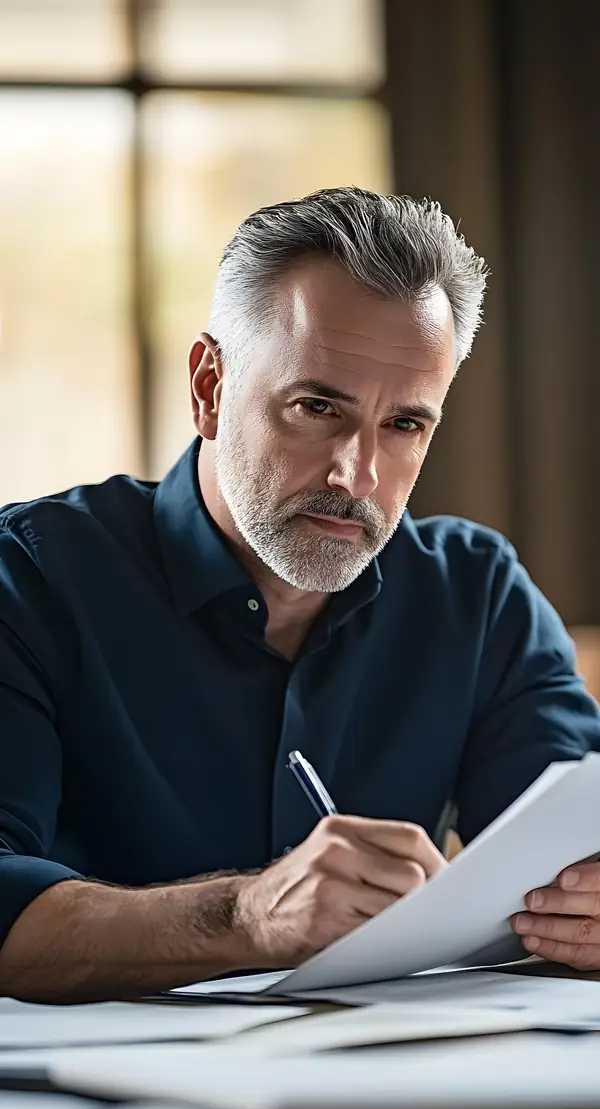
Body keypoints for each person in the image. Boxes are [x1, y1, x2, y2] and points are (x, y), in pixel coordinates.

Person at [1, 187, 599, 1006]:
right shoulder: (29, 580)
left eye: (405, 426)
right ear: (210, 386)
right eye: (318, 406)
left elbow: (565, 853)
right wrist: (246, 916)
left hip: (405, 1095)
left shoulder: (477, 594)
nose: (357, 476)